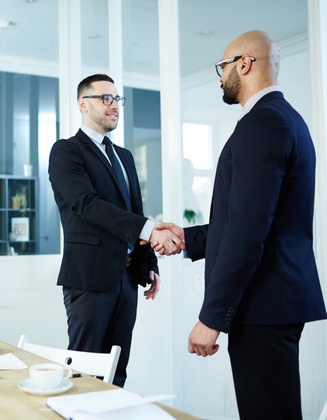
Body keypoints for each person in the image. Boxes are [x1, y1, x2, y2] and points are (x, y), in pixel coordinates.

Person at [152, 30, 327, 419]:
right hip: (275, 302)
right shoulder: (288, 120)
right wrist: (190, 238)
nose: (220, 77)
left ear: (245, 64)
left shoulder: (261, 124)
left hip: (263, 304)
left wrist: (211, 318)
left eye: (223, 66)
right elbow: (255, 221)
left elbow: (248, 233)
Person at [48, 74, 183, 387]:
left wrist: (148, 263)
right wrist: (151, 231)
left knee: (116, 370)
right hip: (89, 278)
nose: (115, 106)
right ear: (83, 104)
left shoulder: (124, 156)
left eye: (117, 99)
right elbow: (87, 204)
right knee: (83, 369)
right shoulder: (67, 151)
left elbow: (135, 212)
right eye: (105, 98)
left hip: (127, 277)